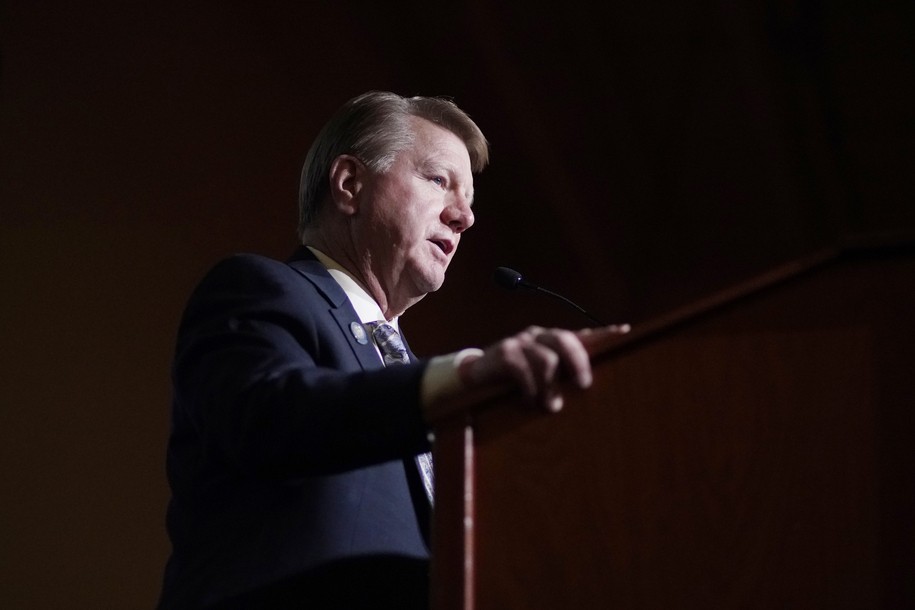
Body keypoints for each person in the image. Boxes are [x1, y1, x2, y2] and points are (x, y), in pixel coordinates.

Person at [157, 91, 611, 609]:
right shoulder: (258, 288)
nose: (465, 217)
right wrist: (460, 381)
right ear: (350, 185)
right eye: (439, 181)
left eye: (470, 200)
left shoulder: (411, 375)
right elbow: (267, 417)